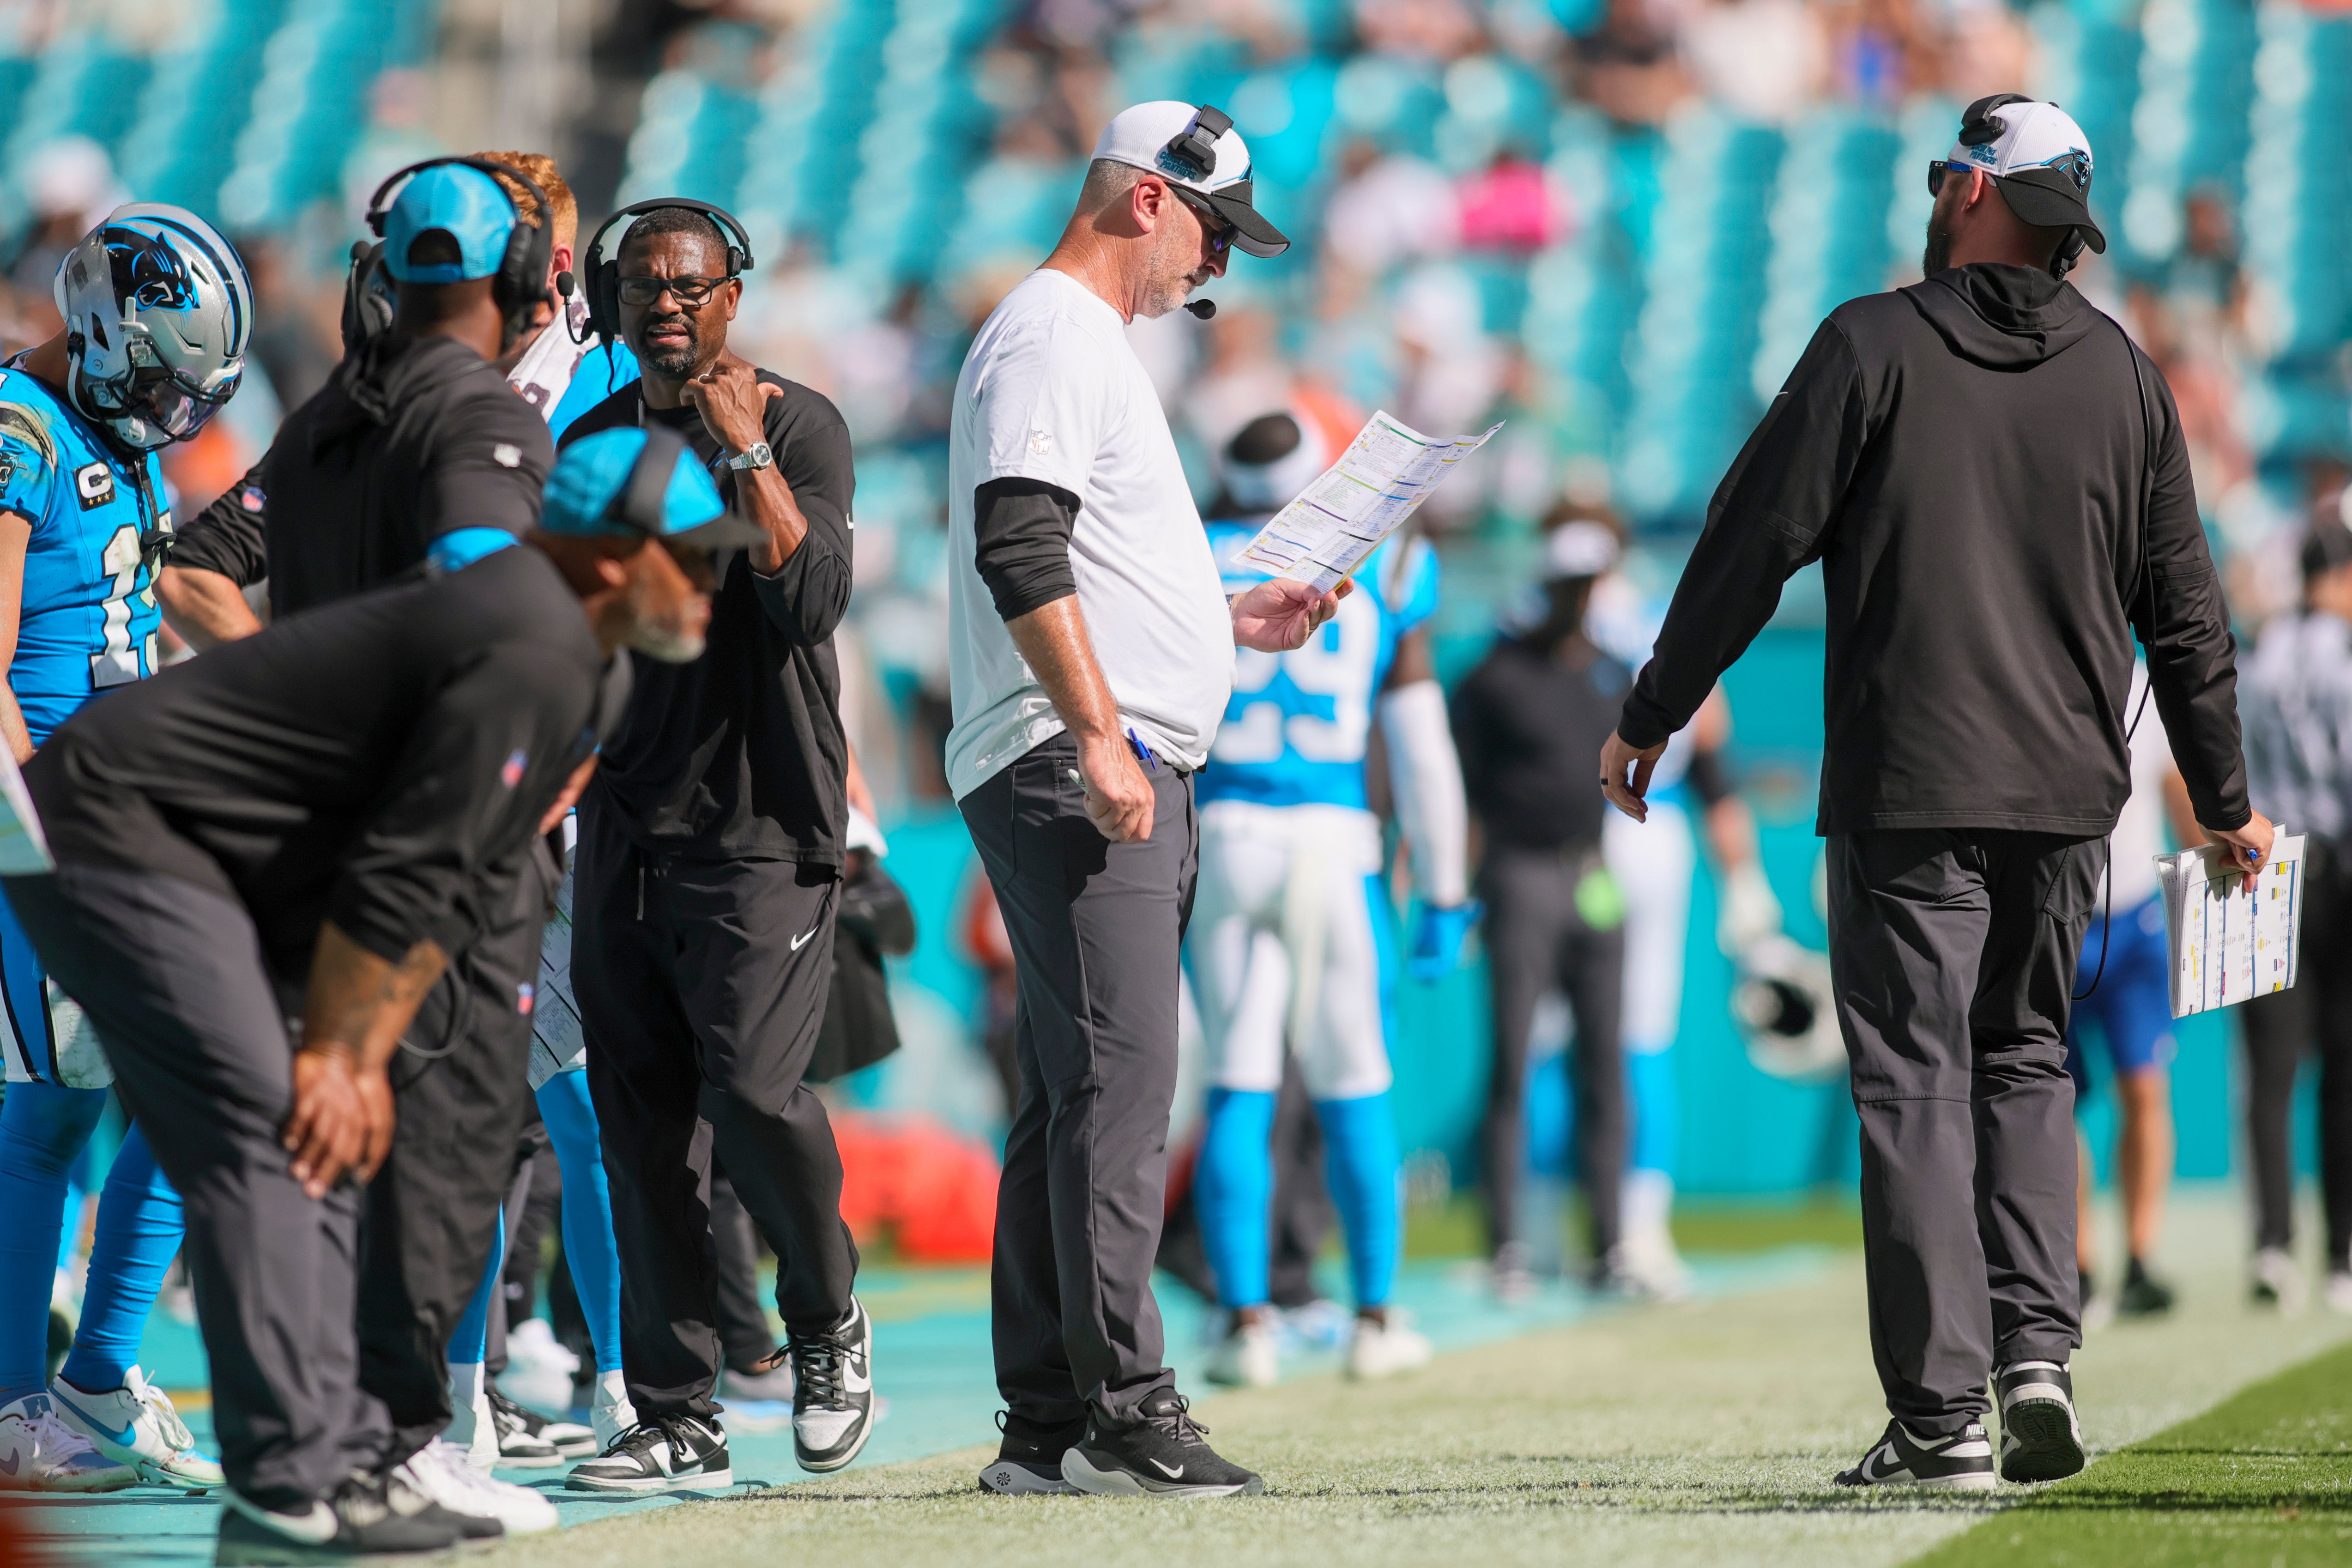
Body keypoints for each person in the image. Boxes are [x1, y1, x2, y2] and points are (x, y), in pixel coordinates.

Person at [1599, 96, 2265, 1491]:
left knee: (1910, 1084)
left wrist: (1654, 708)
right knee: (2028, 1063)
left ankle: (1939, 1416)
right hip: (2066, 798)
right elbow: (2188, 614)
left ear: (1968, 189)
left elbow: (1747, 540)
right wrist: (2228, 798)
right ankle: (2035, 1353)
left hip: (1908, 787)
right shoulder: (2123, 375)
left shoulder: (1868, 343)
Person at [2, 426, 748, 1558]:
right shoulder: (537, 643)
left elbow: (426, 870)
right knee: (277, 1130)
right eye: (688, 555)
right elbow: (403, 878)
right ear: (606, 556)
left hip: (215, 854)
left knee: (313, 1134)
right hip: (117, 833)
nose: (710, 578)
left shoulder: (579, 652)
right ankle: (296, 1481)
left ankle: (342, 1456)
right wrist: (344, 1055)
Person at [156, 156, 581, 1534]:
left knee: (341, 1143)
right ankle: (376, 1448)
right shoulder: (477, 421)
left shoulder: (335, 410)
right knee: (441, 1148)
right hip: (442, 832)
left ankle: (322, 1450)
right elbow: (486, 610)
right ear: (521, 281)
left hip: (338, 827)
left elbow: (201, 565)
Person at [947, 100, 1338, 1501]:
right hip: (1082, 763)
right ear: (1142, 201)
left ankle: (1046, 1421)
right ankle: (1124, 1408)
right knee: (1117, 1092)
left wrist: (1229, 617)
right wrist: (1104, 735)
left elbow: (1078, 557)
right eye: (1211, 229)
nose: (1214, 267)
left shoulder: (1074, 343)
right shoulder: (1058, 334)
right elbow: (1020, 544)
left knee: (1073, 1096)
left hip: (1081, 748)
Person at [556, 200, 871, 1491]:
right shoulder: (590, 440)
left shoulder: (798, 423)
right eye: (642, 287)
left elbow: (809, 602)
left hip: (761, 821)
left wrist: (743, 454)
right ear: (614, 303)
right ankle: (674, 1407)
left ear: (733, 293)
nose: (666, 306)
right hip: (624, 822)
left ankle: (826, 1319)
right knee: (638, 1129)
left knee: (751, 1094)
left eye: (688, 285)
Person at [0, 205, 248, 1494]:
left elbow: (130, 622)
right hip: (50, 821)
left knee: (187, 1089)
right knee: (49, 1115)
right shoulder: (20, 428)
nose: (175, 410)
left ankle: (94, 1379)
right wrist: (30, 833)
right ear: (102, 330)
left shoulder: (104, 428)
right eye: (160, 375)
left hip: (129, 811)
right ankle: (20, 1403)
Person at [1187, 410, 1470, 1387]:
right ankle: (1378, 1316)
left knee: (1239, 1080)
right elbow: (1423, 746)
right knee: (1355, 1083)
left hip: (1225, 833)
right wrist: (1443, 884)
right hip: (1334, 838)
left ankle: (1245, 1322)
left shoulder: (1189, 544)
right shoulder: (1389, 563)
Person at [1585, 504, 1783, 1301]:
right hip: (1647, 832)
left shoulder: (1557, 616)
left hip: (1590, 834)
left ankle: (1560, 1230)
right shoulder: (1659, 618)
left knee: (1576, 1039)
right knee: (1637, 1036)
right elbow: (1712, 753)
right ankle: (1637, 1228)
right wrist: (1742, 878)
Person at [1451, 521, 1633, 1298]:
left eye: (1586, 586)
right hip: (1519, 875)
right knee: (1513, 1060)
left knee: (1603, 1062)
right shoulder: (1494, 678)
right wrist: (1453, 893)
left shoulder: (1614, 673)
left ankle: (1609, 1246)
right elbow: (1461, 792)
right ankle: (1506, 1245)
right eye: (1567, 585)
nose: (1576, 599)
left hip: (1593, 874)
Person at [2237, 519, 2352, 1316]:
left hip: (2268, 868)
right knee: (2343, 1070)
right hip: (2340, 869)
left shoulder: (2261, 655)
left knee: (2271, 1073)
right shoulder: (2344, 657)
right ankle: (2342, 1250)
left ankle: (2272, 1243)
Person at [2065, 660, 2198, 1325]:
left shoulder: (2139, 681)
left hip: (2136, 918)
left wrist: (2211, 852)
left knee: (2143, 1086)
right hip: (2057, 922)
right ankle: (2079, 1264)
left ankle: (2140, 1258)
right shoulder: (2037, 661)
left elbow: (2174, 786)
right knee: (2054, 1099)